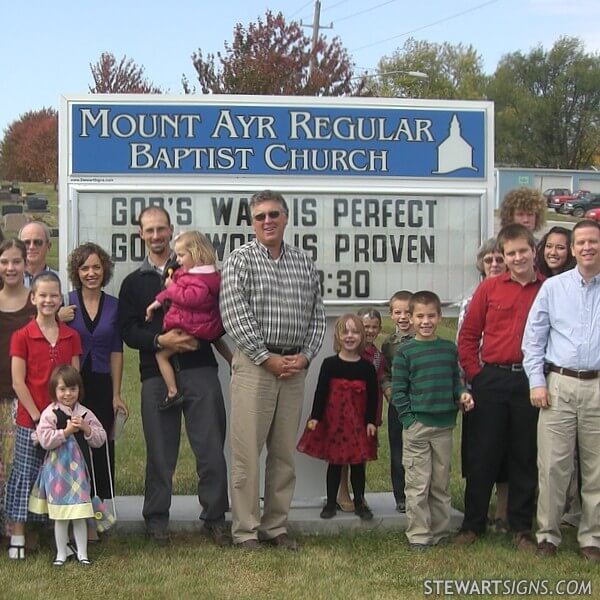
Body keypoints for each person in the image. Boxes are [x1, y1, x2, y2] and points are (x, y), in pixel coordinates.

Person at [220, 189, 326, 551]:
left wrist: (307, 355)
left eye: (274, 214)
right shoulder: (240, 260)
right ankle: (246, 531)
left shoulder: (303, 262)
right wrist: (266, 357)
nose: (268, 221)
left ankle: (275, 526)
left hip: (294, 367)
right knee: (248, 454)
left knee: (283, 454)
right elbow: (234, 314)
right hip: (255, 367)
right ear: (252, 222)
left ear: (285, 218)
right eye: (261, 216)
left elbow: (317, 315)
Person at [119, 206, 229, 547]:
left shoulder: (198, 272)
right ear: (140, 234)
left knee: (210, 448)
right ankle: (156, 519)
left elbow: (219, 316)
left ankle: (214, 517)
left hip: (199, 368)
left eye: (161, 229)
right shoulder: (134, 283)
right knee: (160, 452)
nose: (155, 235)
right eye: (148, 230)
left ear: (170, 230)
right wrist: (158, 341)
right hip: (156, 373)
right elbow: (128, 330)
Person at [456, 224, 544, 550]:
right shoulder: (490, 289)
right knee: (482, 455)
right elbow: (467, 336)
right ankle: (472, 524)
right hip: (490, 378)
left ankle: (521, 529)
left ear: (533, 251)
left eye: (523, 251)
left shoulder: (546, 289)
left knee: (524, 455)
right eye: (511, 253)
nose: (517, 257)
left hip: (529, 381)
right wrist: (476, 374)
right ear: (504, 257)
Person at [522, 219, 600, 563]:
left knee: (596, 468)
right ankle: (548, 535)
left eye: (592, 242)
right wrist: (537, 381)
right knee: (553, 466)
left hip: (598, 385)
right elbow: (534, 339)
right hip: (558, 386)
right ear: (572, 249)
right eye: (580, 242)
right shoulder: (553, 288)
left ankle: (591, 538)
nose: (586, 248)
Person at [5, 271, 81, 560]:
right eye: (43, 295)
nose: (48, 300)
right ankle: (18, 534)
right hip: (31, 420)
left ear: (60, 298)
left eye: (54, 295)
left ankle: (62, 535)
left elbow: (74, 377)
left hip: (62, 422)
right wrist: (39, 416)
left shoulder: (70, 336)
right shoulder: (22, 336)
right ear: (33, 298)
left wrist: (65, 414)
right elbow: (17, 381)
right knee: (25, 475)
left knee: (60, 474)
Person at [393, 291, 474, 550]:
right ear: (411, 318)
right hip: (417, 427)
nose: (425, 321)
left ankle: (439, 533)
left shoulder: (449, 350)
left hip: (444, 427)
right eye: (420, 316)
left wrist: (462, 394)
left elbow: (455, 382)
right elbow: (398, 391)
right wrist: (409, 419)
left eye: (431, 316)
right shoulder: (406, 352)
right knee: (418, 483)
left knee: (440, 483)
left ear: (439, 317)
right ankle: (418, 534)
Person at [65, 242, 127, 523]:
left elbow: (117, 350)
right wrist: (56, 317)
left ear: (105, 269)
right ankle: (76, 508)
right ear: (77, 272)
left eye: (96, 267)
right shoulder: (66, 303)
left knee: (100, 440)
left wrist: (116, 394)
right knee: (75, 442)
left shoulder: (114, 306)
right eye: (85, 267)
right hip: (72, 385)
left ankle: (100, 513)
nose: (91, 273)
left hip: (102, 383)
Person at [297, 314, 378, 521]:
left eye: (355, 332)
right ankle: (331, 503)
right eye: (346, 331)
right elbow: (320, 392)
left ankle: (360, 502)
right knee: (334, 464)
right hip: (335, 423)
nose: (350, 336)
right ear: (338, 336)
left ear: (362, 336)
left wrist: (370, 421)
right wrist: (315, 417)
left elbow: (373, 397)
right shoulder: (329, 364)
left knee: (358, 465)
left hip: (358, 425)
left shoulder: (367, 367)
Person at [29, 365, 106, 566]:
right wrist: (65, 432)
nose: (68, 394)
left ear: (79, 390)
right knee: (61, 516)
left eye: (72, 389)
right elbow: (45, 440)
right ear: (54, 390)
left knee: (80, 514)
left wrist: (86, 428)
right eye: (62, 389)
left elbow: (100, 438)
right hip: (57, 473)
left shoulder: (85, 413)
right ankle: (61, 553)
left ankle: (83, 553)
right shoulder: (51, 413)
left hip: (80, 474)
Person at [457, 238, 508, 533]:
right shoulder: (471, 298)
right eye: (489, 260)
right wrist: (467, 382)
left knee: (507, 449)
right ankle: (475, 514)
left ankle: (503, 512)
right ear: (481, 263)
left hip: (509, 379)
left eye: (499, 259)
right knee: (478, 450)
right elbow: (462, 342)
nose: (494, 264)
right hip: (477, 380)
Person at [145, 231, 225, 411]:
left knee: (161, 355)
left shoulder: (200, 279)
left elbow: (190, 298)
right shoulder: (196, 274)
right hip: (197, 325)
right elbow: (172, 293)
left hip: (190, 327)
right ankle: (231, 359)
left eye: (181, 255)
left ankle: (173, 392)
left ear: (196, 253)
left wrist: (172, 287)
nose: (177, 260)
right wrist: (155, 304)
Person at [0, 239, 36, 538]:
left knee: (16, 466)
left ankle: (16, 530)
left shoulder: (35, 302)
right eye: (4, 262)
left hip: (21, 396)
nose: (10, 268)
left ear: (26, 264)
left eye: (15, 261)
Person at [335, 307, 385, 512]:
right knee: (344, 454)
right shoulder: (352, 352)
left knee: (362, 454)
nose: (371, 331)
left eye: (374, 327)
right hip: (349, 411)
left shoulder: (378, 355)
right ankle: (342, 491)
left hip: (370, 411)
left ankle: (359, 494)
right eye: (366, 327)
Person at [381, 290, 414, 513]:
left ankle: (419, 493)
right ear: (391, 315)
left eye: (408, 312)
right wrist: (389, 390)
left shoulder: (424, 339)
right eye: (398, 312)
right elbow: (383, 371)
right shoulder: (388, 344)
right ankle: (400, 495)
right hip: (397, 405)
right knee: (398, 450)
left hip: (420, 403)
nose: (403, 317)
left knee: (419, 450)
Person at [18, 221, 58, 288]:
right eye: (26, 242)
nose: (31, 247)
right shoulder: (9, 280)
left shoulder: (60, 280)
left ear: (48, 246)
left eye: (38, 242)